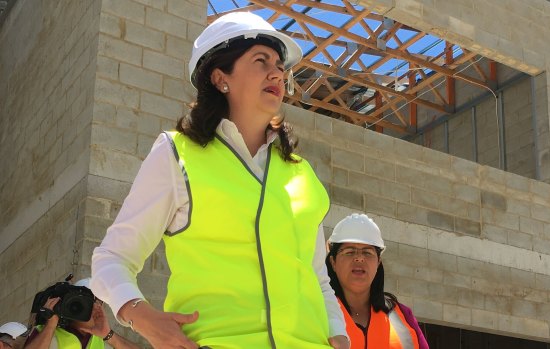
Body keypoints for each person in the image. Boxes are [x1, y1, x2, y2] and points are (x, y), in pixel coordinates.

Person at [91, 11, 348, 349]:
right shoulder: (177, 154)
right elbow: (110, 260)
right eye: (261, 60)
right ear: (219, 78)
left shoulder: (302, 173)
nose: (277, 72)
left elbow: (318, 278)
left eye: (279, 65)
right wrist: (143, 318)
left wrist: (341, 338)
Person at [326, 213, 429, 349]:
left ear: (378, 262)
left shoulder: (403, 316)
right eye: (349, 252)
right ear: (333, 262)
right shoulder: (319, 311)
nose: (359, 258)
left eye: (367, 252)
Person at [23, 278, 140, 349]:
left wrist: (108, 335)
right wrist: (51, 325)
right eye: (84, 304)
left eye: (98, 303)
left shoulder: (104, 343)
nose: (93, 308)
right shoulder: (46, 333)